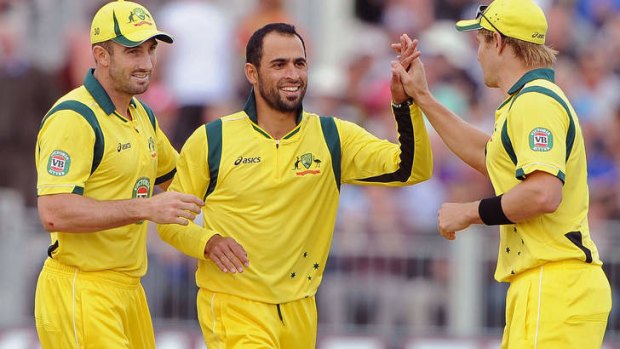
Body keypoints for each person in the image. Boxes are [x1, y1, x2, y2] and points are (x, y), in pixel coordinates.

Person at [157, 22, 433, 348]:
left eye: (299, 63)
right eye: (279, 64)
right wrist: (208, 242)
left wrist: (405, 104)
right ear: (252, 72)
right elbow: (170, 220)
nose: (293, 74)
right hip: (234, 304)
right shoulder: (212, 139)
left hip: (301, 308)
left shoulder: (333, 137)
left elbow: (412, 169)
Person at [391, 0, 612, 348]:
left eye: (480, 41)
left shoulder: (535, 102)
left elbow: (543, 193)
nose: (477, 53)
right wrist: (422, 97)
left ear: (499, 41)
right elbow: (487, 154)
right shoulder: (526, 100)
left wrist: (468, 212)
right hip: (545, 286)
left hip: (554, 284)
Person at [34, 1, 204, 348]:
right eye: (133, 52)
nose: (146, 63)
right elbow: (53, 212)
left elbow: (186, 181)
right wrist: (144, 208)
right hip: (82, 289)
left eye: (150, 50)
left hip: (128, 289)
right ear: (102, 55)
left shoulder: (142, 114)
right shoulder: (74, 117)